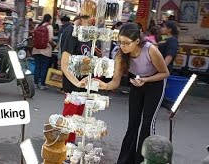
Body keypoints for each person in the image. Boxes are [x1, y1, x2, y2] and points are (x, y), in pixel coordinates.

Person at [92, 23, 169, 164]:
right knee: (133, 123)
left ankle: (144, 160)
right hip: (137, 83)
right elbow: (115, 83)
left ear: (137, 41)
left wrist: (146, 80)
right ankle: (125, 160)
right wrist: (103, 85)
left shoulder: (151, 49)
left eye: (127, 43)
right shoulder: (121, 55)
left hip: (155, 84)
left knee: (147, 123)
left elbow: (165, 73)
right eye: (120, 42)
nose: (123, 46)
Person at [60, 15, 92, 143]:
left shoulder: (88, 33)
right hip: (73, 84)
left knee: (77, 119)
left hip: (83, 84)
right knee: (70, 117)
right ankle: (64, 147)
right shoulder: (72, 31)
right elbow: (64, 64)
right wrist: (76, 82)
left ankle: (70, 146)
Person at [32, 14, 56, 90]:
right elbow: (50, 39)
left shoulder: (37, 26)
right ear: (50, 20)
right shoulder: (49, 27)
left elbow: (33, 37)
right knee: (44, 68)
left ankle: (35, 83)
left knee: (37, 67)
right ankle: (42, 84)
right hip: (46, 50)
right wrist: (54, 45)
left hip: (36, 50)